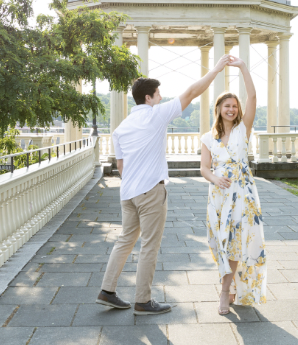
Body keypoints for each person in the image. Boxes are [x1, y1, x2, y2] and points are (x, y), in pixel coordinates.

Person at [96, 54, 232, 315]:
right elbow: (192, 91)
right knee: (149, 245)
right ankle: (143, 301)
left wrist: (134, 185)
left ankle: (107, 290)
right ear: (148, 98)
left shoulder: (121, 127)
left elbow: (121, 167)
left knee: (125, 240)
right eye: (158, 94)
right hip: (150, 192)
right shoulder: (156, 114)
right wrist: (216, 69)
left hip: (128, 193)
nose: (161, 98)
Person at [199, 57, 266, 314]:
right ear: (219, 108)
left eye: (234, 106)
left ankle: (225, 292)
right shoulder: (208, 138)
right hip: (218, 195)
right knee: (218, 243)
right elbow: (204, 168)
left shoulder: (243, 131)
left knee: (236, 242)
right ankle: (232, 284)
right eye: (227, 106)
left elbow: (253, 97)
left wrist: (242, 67)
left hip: (243, 194)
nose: (232, 110)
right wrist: (214, 178)